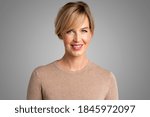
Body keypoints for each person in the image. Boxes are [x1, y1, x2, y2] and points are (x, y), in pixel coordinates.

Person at [27, 1, 119, 100]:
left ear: (91, 34)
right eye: (70, 31)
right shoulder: (40, 76)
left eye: (83, 31)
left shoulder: (107, 78)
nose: (77, 39)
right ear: (61, 33)